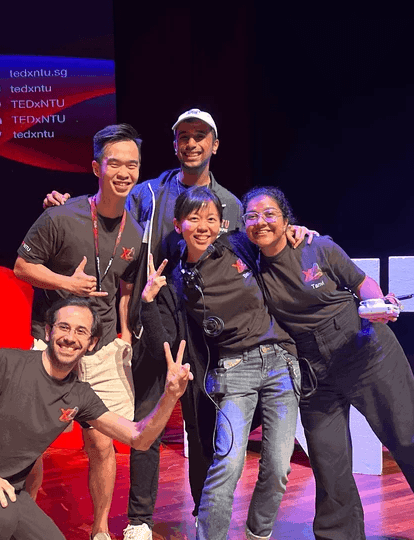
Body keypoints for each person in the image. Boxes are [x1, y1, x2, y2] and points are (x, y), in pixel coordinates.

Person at [43, 109, 312, 540]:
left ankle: (205, 519)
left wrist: (295, 231)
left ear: (214, 145)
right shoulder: (148, 192)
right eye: (184, 136)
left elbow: (261, 242)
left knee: (201, 426)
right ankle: (140, 520)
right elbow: (104, 209)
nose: (192, 143)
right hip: (154, 313)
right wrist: (69, 205)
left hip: (207, 330)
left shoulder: (231, 204)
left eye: (200, 136)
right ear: (174, 144)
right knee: (148, 414)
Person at [240, 186, 414, 540]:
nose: (260, 222)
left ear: (286, 220)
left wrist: (378, 303)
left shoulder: (316, 247)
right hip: (312, 369)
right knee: (328, 462)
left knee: (410, 437)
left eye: (269, 214)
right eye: (251, 215)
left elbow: (362, 282)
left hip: (363, 349)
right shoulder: (251, 263)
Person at [0, 297, 193, 540]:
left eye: (81, 331)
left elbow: (139, 438)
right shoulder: (6, 363)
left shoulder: (80, 395)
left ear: (91, 343)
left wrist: (169, 396)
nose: (70, 337)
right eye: (63, 327)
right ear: (49, 331)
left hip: (9, 494)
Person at [13, 124, 144, 540]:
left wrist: (123, 333)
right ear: (96, 167)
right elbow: (22, 267)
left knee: (103, 444)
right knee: (32, 442)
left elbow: (124, 287)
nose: (124, 172)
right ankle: (21, 522)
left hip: (102, 349)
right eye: (115, 163)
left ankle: (101, 530)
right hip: (54, 343)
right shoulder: (59, 216)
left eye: (132, 164)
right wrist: (67, 284)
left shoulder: (135, 231)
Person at [157, 186, 301, 540]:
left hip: (281, 362)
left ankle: (257, 534)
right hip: (234, 371)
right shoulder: (178, 278)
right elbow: (166, 328)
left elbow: (272, 237)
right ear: (179, 225)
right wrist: (148, 300)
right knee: (228, 463)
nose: (203, 226)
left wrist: (298, 230)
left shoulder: (238, 244)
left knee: (279, 467)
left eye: (210, 218)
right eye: (194, 219)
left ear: (222, 222)